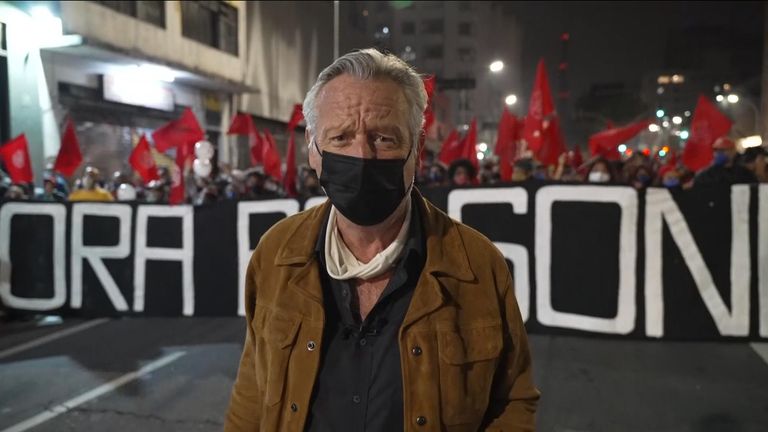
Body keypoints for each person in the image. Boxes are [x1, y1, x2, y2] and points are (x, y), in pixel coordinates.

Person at [225, 48, 538, 432]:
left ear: (418, 148)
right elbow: (254, 389)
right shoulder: (276, 254)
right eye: (340, 137)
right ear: (312, 147)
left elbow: (512, 399)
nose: (361, 155)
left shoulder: (476, 266)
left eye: (384, 138)